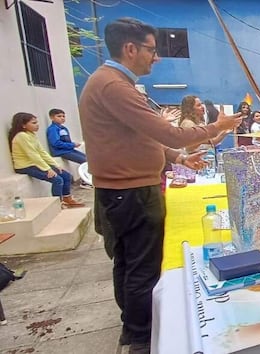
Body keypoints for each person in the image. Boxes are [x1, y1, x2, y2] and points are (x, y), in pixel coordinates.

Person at [78, 18, 242, 353]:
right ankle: (141, 337)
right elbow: (168, 133)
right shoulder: (115, 86)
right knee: (141, 267)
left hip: (126, 189)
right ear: (130, 49)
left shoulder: (113, 83)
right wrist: (216, 126)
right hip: (131, 192)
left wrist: (178, 159)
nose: (157, 58)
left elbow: (143, 137)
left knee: (129, 263)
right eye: (152, 50)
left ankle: (132, 328)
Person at [9, 112, 85, 207]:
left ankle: (67, 198)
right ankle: (57, 204)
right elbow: (32, 155)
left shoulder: (31, 134)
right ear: (23, 125)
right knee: (57, 179)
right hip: (25, 166)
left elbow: (42, 152)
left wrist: (55, 165)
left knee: (66, 176)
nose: (37, 125)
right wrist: (47, 169)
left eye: (37, 122)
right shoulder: (21, 136)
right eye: (33, 123)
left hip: (36, 163)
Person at [46, 108, 92, 189]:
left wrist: (72, 144)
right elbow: (56, 143)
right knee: (84, 161)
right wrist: (71, 145)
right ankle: (85, 182)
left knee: (88, 158)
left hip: (69, 149)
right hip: (60, 151)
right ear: (52, 117)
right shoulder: (53, 129)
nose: (62, 118)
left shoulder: (63, 128)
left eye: (63, 116)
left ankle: (89, 179)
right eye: (59, 116)